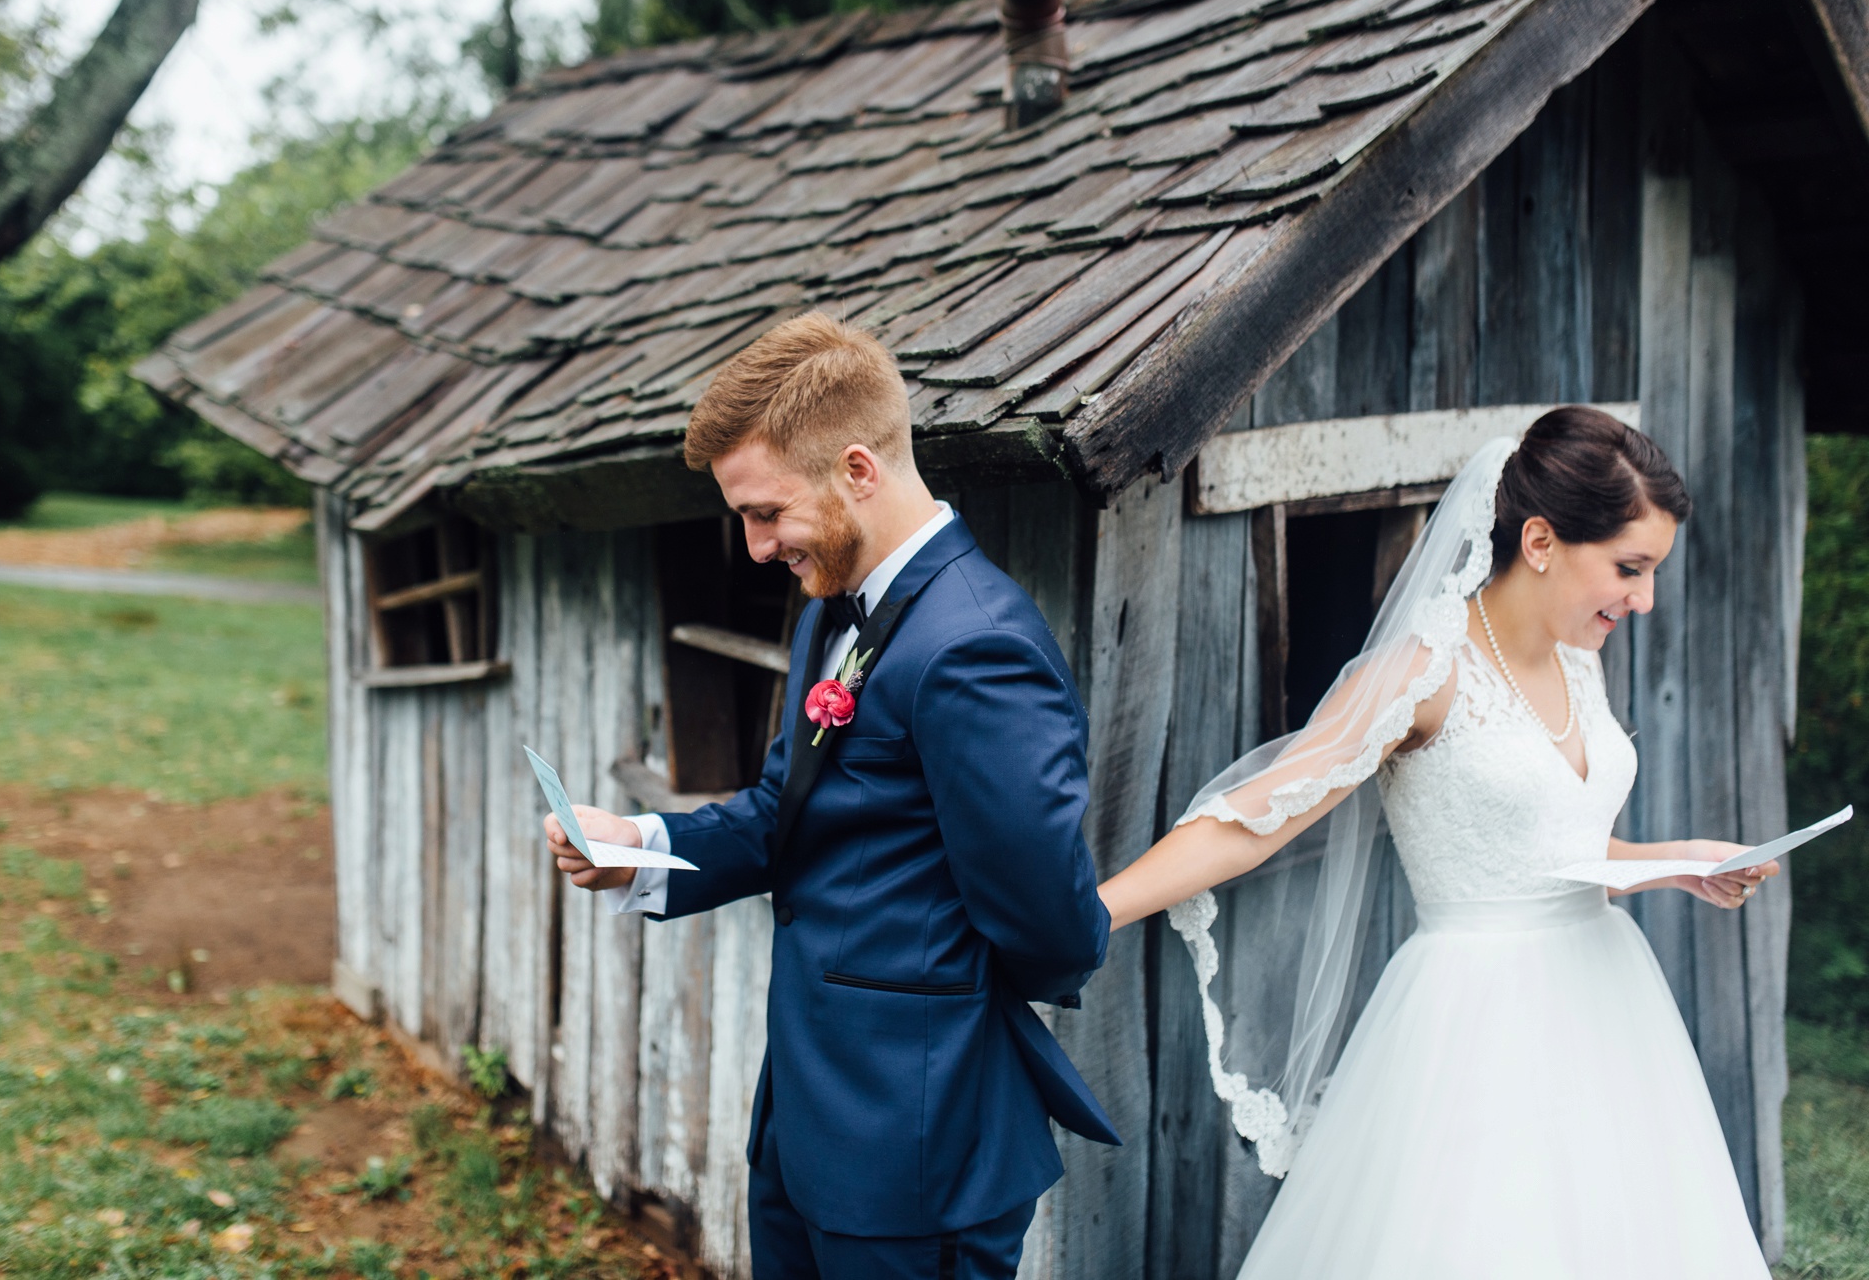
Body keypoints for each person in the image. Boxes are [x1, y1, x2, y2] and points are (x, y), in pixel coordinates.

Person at [1101, 406, 1777, 1278]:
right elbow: (1254, 817)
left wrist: (1680, 861)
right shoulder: (1423, 672)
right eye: (1630, 569)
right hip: (1475, 1028)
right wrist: (1090, 911)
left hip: (1609, 1007)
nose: (1644, 599)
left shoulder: (1582, 659)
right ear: (1540, 540)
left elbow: (1556, 853)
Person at [543, 312, 1119, 1280]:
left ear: (857, 469)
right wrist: (636, 846)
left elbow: (1047, 919)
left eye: (766, 512)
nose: (755, 545)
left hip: (915, 1145)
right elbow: (785, 812)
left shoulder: (976, 646)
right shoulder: (834, 608)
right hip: (805, 1125)